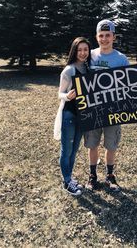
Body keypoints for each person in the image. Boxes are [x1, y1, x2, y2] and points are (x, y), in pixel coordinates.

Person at [84, 20, 137, 192]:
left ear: (114, 37)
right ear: (96, 37)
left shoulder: (121, 58)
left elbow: (130, 81)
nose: (104, 39)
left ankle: (110, 175)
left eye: (108, 35)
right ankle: (92, 175)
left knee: (111, 144)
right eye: (101, 36)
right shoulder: (88, 55)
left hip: (114, 109)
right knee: (92, 144)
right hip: (93, 109)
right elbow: (79, 76)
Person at [54, 37, 91, 196]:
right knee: (66, 149)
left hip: (83, 115)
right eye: (79, 50)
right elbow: (59, 94)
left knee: (74, 149)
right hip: (69, 115)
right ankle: (67, 181)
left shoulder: (88, 68)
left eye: (85, 50)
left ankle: (69, 178)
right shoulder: (69, 70)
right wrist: (67, 96)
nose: (83, 53)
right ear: (74, 51)